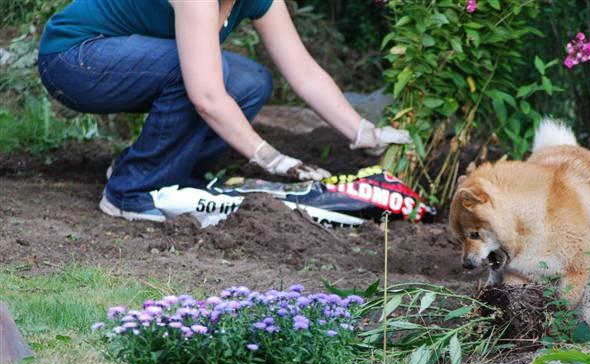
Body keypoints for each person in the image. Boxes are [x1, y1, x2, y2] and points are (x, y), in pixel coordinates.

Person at [37, 0, 411, 222]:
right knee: (213, 75)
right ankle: (129, 191)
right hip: (75, 60)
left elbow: (303, 70)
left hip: (122, 62)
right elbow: (206, 95)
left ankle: (166, 173)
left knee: (251, 80)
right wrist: (272, 157)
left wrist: (363, 131)